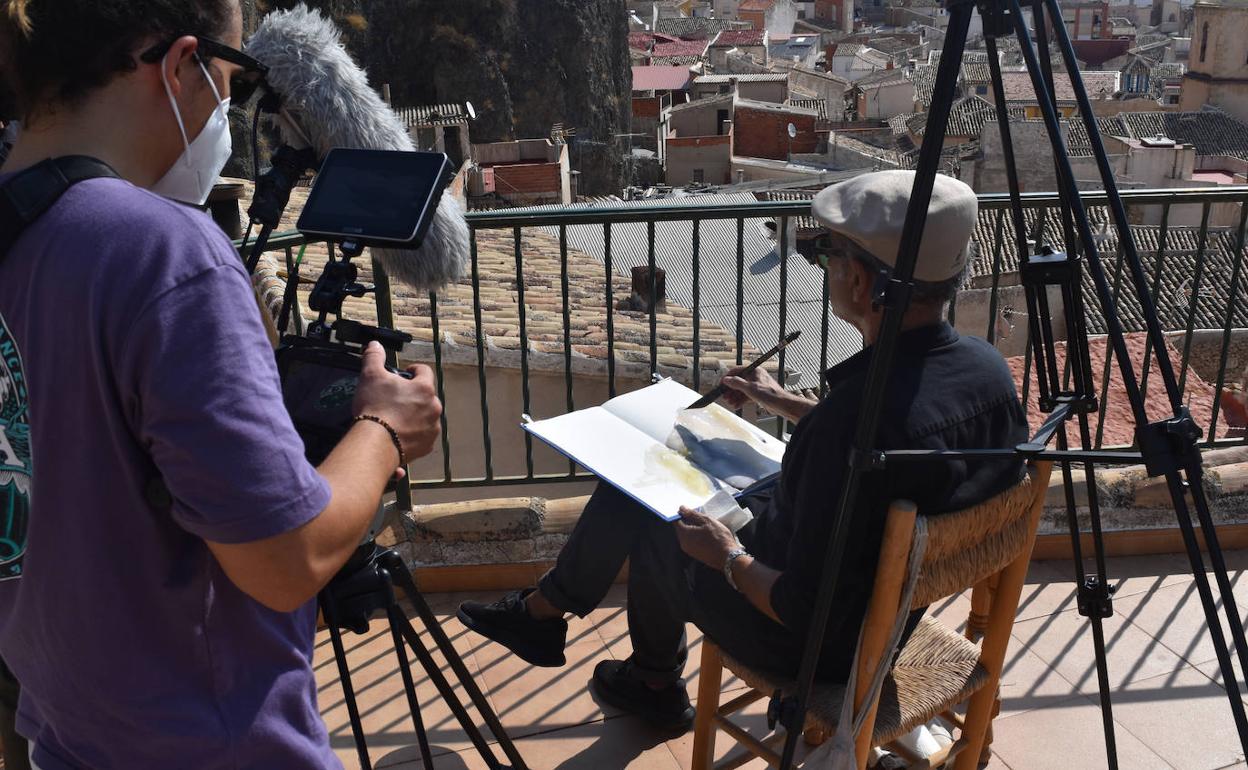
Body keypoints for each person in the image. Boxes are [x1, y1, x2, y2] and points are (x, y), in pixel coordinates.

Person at [0, 1, 443, 767]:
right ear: (179, 64)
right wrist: (384, 429)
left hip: (69, 730)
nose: (227, 108)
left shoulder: (20, 229)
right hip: (208, 743)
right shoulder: (162, 252)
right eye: (231, 76)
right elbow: (286, 561)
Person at [459, 170, 1030, 730]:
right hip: (887, 616)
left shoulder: (849, 425)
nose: (823, 265)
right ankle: (558, 623)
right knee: (647, 492)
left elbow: (802, 607)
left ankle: (638, 673)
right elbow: (895, 437)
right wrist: (779, 400)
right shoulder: (988, 374)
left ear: (860, 281)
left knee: (656, 517)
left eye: (827, 254)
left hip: (810, 644)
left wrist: (726, 554)